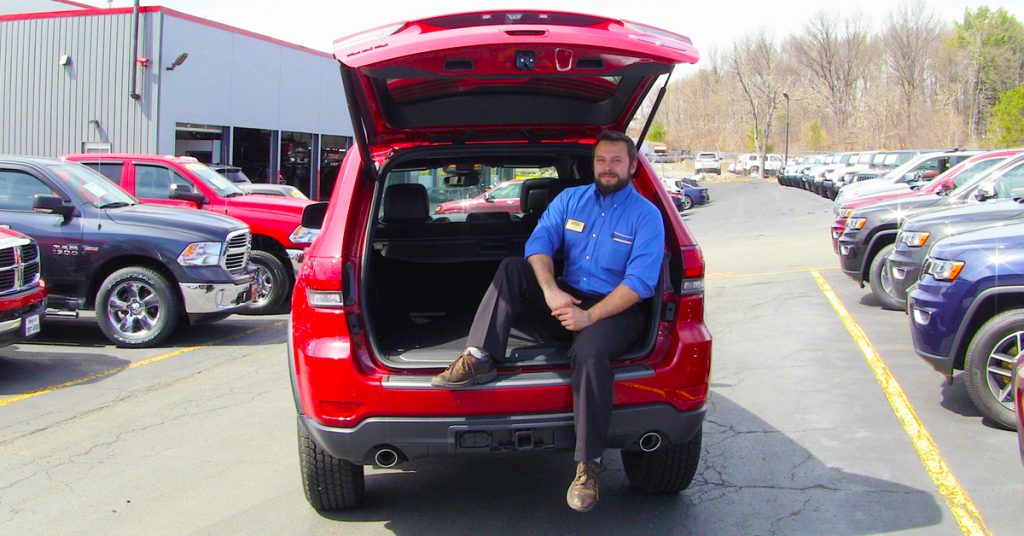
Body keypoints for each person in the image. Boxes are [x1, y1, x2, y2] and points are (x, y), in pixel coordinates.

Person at [430, 130, 665, 512]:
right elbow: (538, 244)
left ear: (633, 166)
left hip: (615, 309)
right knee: (513, 268)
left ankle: (588, 465)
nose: (608, 168)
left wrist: (588, 315)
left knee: (588, 354)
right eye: (602, 160)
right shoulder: (571, 200)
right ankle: (479, 357)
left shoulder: (646, 216)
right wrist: (552, 290)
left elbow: (639, 283)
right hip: (567, 296)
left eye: (616, 161)